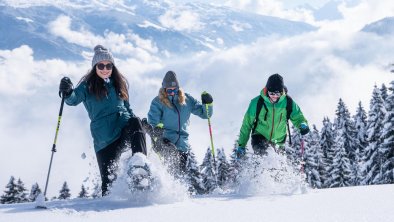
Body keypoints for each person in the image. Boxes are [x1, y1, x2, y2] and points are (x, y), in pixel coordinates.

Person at [58, 45, 148, 196]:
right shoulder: (87, 86)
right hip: (104, 140)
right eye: (101, 65)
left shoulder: (119, 84)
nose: (105, 68)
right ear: (95, 67)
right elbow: (73, 100)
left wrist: (139, 126)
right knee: (109, 189)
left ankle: (140, 167)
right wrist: (67, 92)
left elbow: (128, 108)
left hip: (122, 129)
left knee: (135, 121)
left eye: (109, 65)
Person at [144, 70, 213, 178]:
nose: (172, 92)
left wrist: (207, 104)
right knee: (170, 167)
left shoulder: (187, 100)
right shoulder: (158, 102)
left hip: (182, 145)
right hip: (164, 141)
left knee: (179, 175)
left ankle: (175, 193)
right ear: (164, 89)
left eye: (174, 89)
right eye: (168, 90)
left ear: (178, 88)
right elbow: (153, 122)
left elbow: (205, 114)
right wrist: (157, 130)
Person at [236, 73, 309, 158]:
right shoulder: (257, 103)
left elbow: (298, 116)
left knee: (277, 167)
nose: (274, 97)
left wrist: (302, 124)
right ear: (267, 91)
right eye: (271, 93)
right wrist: (241, 145)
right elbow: (246, 125)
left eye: (277, 94)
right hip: (260, 137)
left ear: (281, 93)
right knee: (264, 158)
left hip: (279, 141)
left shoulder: (288, 102)